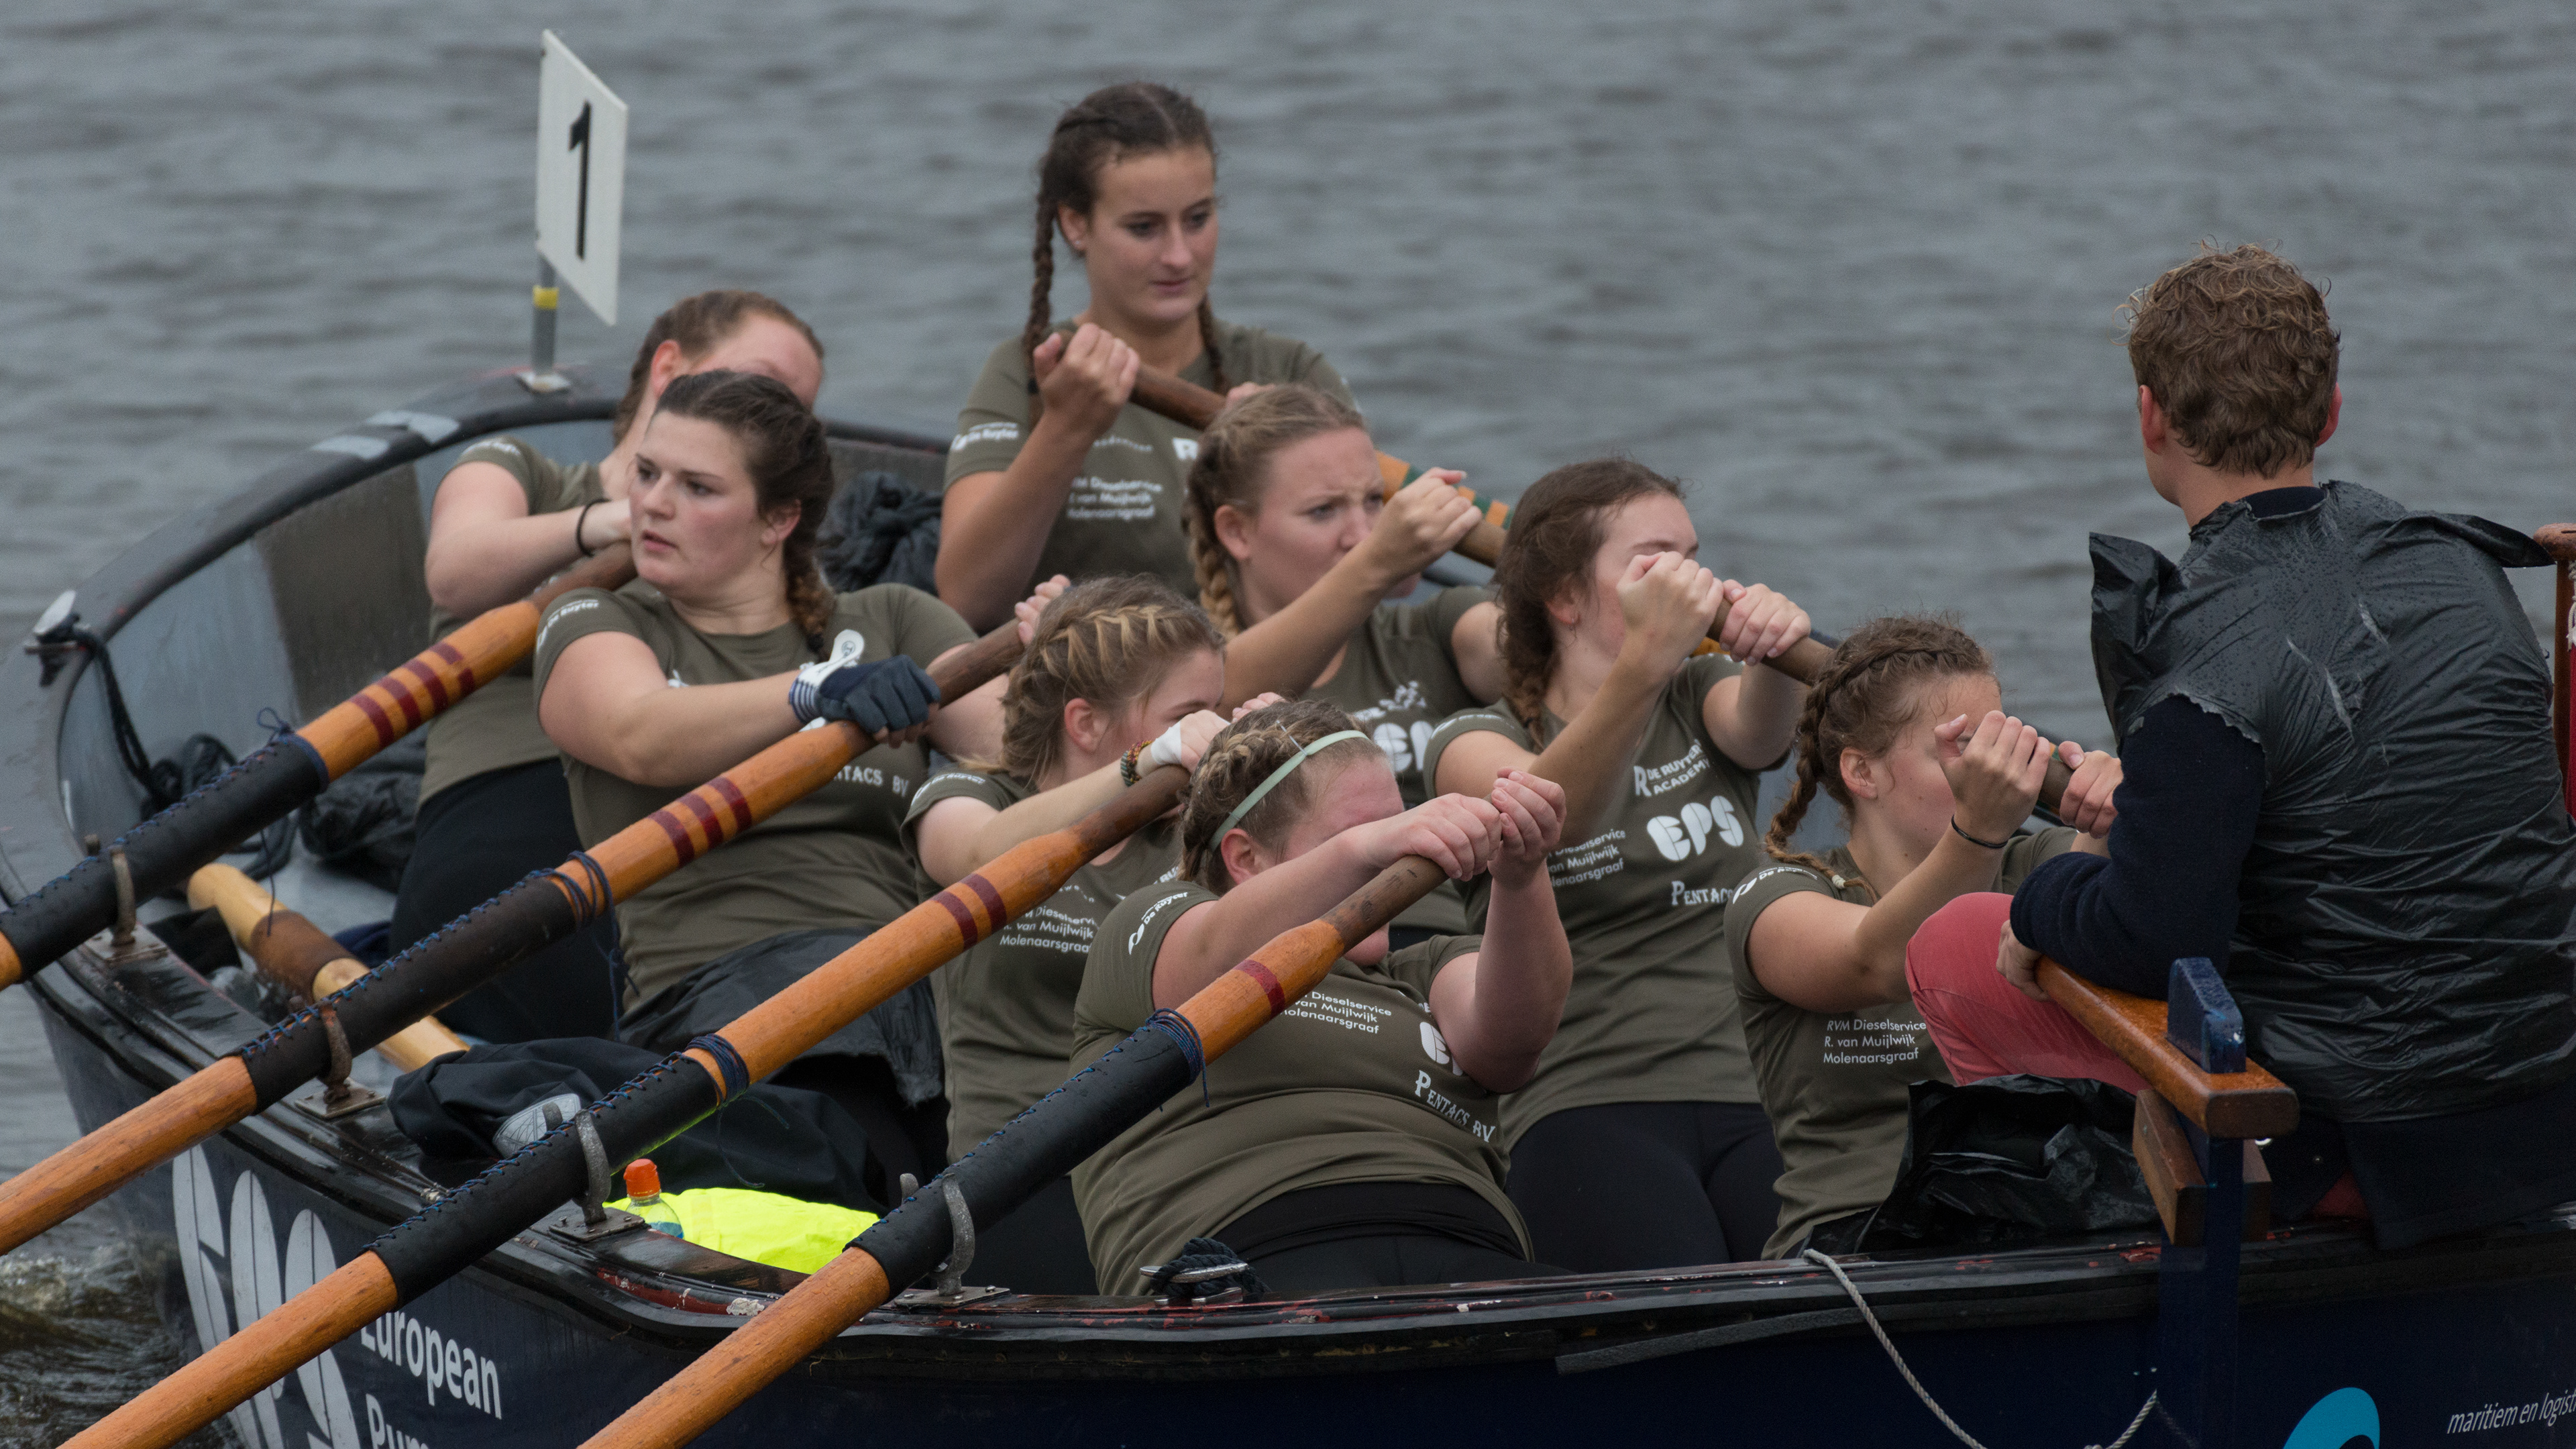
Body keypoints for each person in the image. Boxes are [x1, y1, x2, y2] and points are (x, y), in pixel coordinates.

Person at [1906, 244, 2576, 1249]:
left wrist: (2042, 903)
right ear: (2331, 413)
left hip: (2362, 1149)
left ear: (2151, 419)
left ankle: (2121, 1235)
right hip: (2540, 1114)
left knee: (1954, 942)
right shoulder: (2464, 569)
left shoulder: (2202, 641)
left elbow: (2154, 939)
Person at [533, 369, 1028, 1201]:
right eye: (646, 473)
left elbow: (1025, 755)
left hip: (911, 982)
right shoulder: (597, 620)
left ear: (778, 520)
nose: (652, 504)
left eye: (696, 487)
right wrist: (814, 692)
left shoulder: (892, 620)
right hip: (719, 1008)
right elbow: (638, 734)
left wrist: (1072, 652)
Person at [393, 291, 826, 1042]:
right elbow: (454, 572)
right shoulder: (525, 475)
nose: (773, 415)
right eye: (761, 382)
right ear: (670, 369)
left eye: (796, 410)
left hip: (677, 836)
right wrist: (618, 523)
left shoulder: (754, 550)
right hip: (509, 822)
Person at [1424, 458, 1812, 1271]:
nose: (1691, 582)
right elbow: (1555, 819)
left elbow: (1760, 735)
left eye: (1693, 558)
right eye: (1656, 561)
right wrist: (1645, 661)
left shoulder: (1697, 692)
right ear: (1565, 599)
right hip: (1587, 1097)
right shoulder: (1473, 742)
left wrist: (1775, 651)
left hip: (1757, 1089)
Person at [1073, 700, 1572, 1295]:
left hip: (1464, 1238)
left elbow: (1511, 1045)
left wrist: (1522, 875)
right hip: (1251, 1246)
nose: (1400, 853)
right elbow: (1208, 961)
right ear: (1246, 858)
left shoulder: (1425, 968)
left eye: (1402, 826)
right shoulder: (1154, 921)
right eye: (1360, 834)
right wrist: (1364, 848)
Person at [1725, 616, 2118, 1256]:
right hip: (1856, 1230)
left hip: (2032, 1213)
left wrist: (2116, 822)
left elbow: (2121, 918)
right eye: (1963, 747)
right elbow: (1880, 963)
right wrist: (1978, 832)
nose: (1996, 769)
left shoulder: (2036, 865)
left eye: (1999, 741)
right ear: (1863, 772)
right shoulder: (1777, 899)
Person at [902, 576, 1232, 1291]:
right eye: (1190, 716)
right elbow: (982, 856)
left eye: (1217, 711)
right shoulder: (967, 798)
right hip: (1017, 1171)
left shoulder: (1196, 833)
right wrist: (1143, 766)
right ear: (1084, 724)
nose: (1210, 732)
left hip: (1168, 1167)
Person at [936, 81, 1355, 630]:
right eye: (1144, 228)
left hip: (1266, 674)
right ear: (1076, 224)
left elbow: (1396, 575)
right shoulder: (1027, 373)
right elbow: (964, 599)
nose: (1179, 255)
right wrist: (1066, 430)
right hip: (1100, 676)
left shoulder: (1291, 371)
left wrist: (1293, 471)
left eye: (1198, 219)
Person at [1180, 384, 1505, 944]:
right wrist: (1378, 563)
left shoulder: (1439, 626)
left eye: (1375, 502)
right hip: (1292, 954)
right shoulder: (1181, 662)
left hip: (1456, 950)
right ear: (1236, 531)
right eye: (1323, 510)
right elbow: (1220, 690)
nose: (1362, 534)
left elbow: (1550, 658)